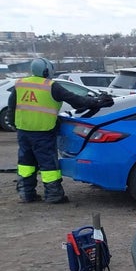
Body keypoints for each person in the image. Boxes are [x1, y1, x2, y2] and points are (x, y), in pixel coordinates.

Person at [8, 57, 113, 203]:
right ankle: (53, 195)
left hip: (23, 131)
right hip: (43, 132)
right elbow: (77, 101)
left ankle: (26, 194)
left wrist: (14, 124)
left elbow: (12, 107)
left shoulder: (20, 84)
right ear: (46, 71)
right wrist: (98, 102)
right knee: (48, 165)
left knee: (26, 163)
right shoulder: (51, 86)